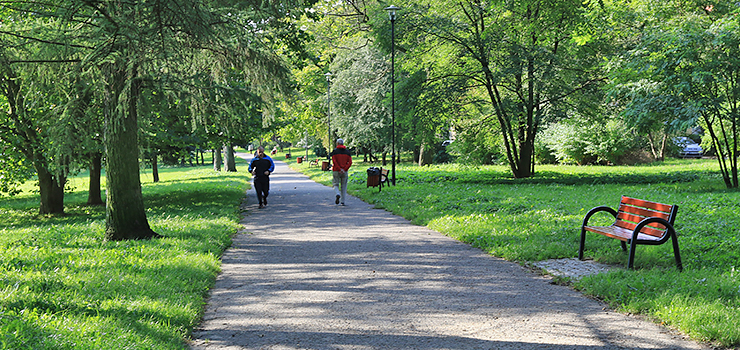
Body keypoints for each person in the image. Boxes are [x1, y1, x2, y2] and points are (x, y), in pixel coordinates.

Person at [330, 138, 353, 206]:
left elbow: (334, 161)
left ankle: (337, 194)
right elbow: (350, 162)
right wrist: (344, 169)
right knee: (344, 186)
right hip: (344, 172)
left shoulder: (335, 151)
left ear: (337, 143)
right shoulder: (347, 152)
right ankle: (343, 201)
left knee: (335, 184)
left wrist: (339, 169)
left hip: (336, 170)